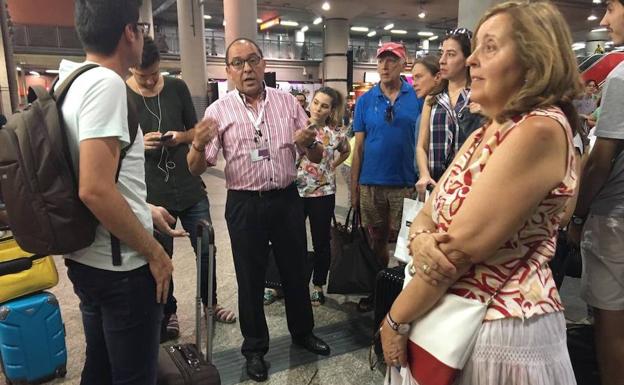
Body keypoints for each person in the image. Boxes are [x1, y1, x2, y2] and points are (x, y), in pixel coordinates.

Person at [380, 2, 582, 384]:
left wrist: (394, 318)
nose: (472, 59)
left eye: (490, 47)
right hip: (447, 318)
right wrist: (422, 238)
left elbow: (457, 252)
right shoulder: (484, 131)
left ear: (534, 60)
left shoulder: (538, 129)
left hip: (499, 325)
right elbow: (430, 209)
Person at [187, 38, 330, 383]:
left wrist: (308, 143)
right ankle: (254, 349)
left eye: (253, 60)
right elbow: (195, 168)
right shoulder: (217, 112)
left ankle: (303, 332)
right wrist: (196, 142)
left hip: (286, 199)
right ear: (228, 71)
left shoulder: (287, 103)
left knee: (295, 269)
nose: (247, 68)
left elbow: (317, 155)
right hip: (244, 204)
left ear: (264, 63)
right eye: (238, 63)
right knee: (249, 277)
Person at [58, 1, 175, 383]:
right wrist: (154, 251)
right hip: (121, 268)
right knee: (134, 376)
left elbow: (101, 176)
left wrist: (144, 208)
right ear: (130, 31)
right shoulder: (106, 84)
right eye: (142, 26)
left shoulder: (70, 81)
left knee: (102, 367)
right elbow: (94, 188)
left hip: (86, 258)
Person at [126, 36, 236, 343]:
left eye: (153, 74)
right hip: (151, 194)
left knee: (206, 248)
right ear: (131, 68)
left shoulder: (177, 87)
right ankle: (168, 311)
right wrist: (138, 144)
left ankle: (210, 304)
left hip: (189, 187)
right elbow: (114, 148)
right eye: (141, 75)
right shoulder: (122, 94)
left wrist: (182, 136)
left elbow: (196, 130)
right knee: (161, 255)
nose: (148, 81)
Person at [569, 1, 624, 383]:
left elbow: (601, 161)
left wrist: (576, 214)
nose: (604, 19)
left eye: (611, 8)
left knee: (611, 323)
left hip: (615, 218)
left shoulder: (621, 77)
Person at [350, 42, 423, 312]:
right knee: (376, 241)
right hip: (371, 184)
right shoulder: (366, 101)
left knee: (407, 244)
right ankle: (378, 288)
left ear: (403, 64)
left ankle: (404, 296)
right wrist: (354, 188)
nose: (385, 66)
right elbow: (358, 148)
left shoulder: (417, 97)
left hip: (405, 184)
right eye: (381, 60)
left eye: (392, 60)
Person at [296, 86, 350, 306]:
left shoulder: (335, 132)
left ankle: (318, 284)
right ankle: (284, 282)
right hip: (295, 190)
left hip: (323, 192)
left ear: (331, 110)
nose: (318, 108)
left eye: (324, 105)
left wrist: (331, 166)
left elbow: (346, 151)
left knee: (321, 241)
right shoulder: (297, 124)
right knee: (290, 240)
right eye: (316, 102)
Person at [415, 29, 478, 198]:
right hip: (434, 184)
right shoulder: (433, 98)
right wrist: (424, 173)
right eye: (442, 53)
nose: (442, 61)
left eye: (450, 55)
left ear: (467, 59)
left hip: (466, 186)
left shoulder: (477, 96)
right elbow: (421, 145)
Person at [411, 55, 442, 175]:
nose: (414, 84)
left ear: (437, 77)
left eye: (418, 77)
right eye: (413, 79)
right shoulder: (426, 108)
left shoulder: (440, 112)